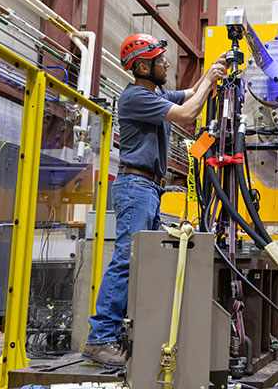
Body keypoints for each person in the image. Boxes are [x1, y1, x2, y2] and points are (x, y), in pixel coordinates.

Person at [82, 34, 226, 367]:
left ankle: (119, 333)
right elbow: (189, 112)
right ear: (143, 66)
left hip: (148, 189)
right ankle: (99, 338)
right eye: (160, 60)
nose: (166, 64)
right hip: (136, 186)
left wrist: (213, 72)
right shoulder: (136, 98)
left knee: (142, 263)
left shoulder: (155, 93)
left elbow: (191, 95)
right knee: (125, 260)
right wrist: (210, 81)